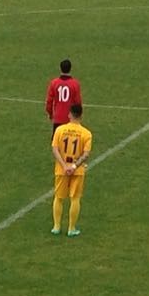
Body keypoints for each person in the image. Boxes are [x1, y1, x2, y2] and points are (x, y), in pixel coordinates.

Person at [51, 103, 93, 237]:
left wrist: (64, 166)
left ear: (69, 114)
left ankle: (56, 227)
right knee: (75, 199)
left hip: (61, 169)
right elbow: (86, 154)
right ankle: (71, 228)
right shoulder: (86, 133)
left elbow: (55, 149)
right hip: (77, 170)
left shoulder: (60, 130)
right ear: (81, 115)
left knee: (58, 197)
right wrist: (74, 166)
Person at [46, 58, 82, 133]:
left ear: (60, 69)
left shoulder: (54, 83)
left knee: (57, 143)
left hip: (58, 118)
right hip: (70, 119)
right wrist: (78, 116)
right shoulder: (75, 84)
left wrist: (50, 113)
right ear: (70, 69)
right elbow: (78, 103)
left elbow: (49, 101)